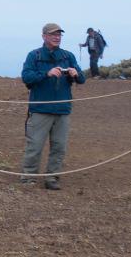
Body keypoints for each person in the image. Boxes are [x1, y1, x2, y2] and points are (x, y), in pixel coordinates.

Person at [21, 22, 85, 190]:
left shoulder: (68, 56)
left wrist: (76, 74)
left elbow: (82, 79)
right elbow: (26, 77)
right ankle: (28, 178)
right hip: (40, 109)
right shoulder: (33, 56)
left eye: (59, 35)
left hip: (62, 110)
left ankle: (52, 179)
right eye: (53, 34)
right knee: (34, 146)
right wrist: (46, 74)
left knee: (59, 147)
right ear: (44, 36)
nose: (57, 37)